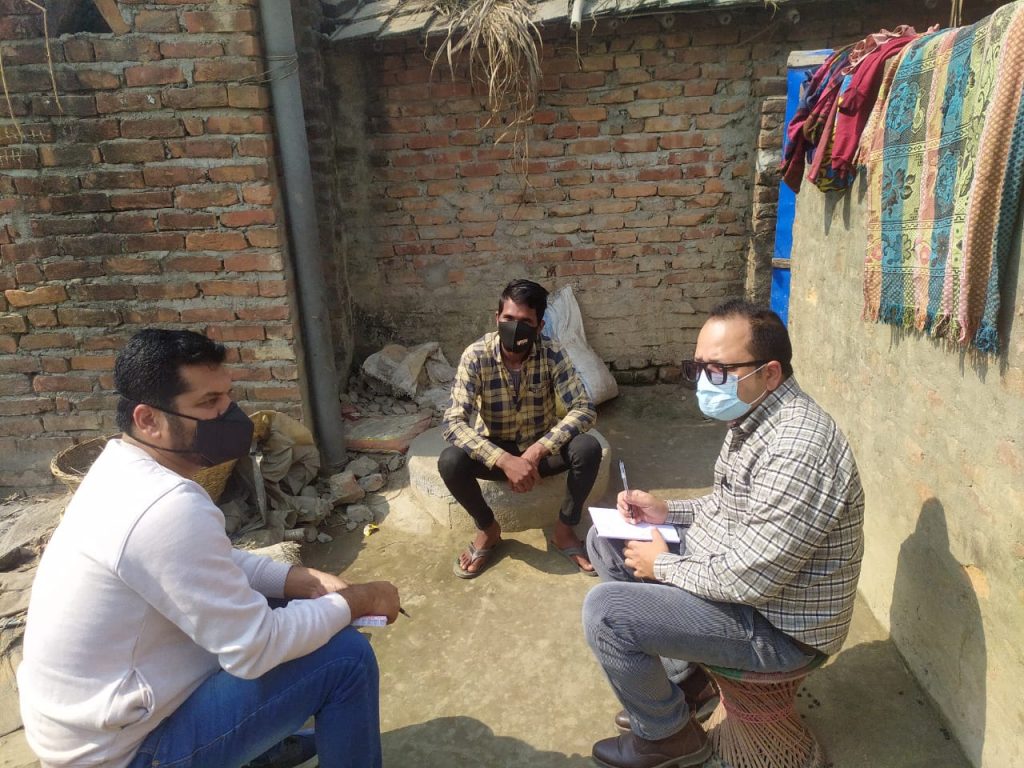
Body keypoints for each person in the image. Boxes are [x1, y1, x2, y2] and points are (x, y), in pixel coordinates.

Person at [18, 329, 401, 768]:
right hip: (125, 754)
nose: (228, 414)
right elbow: (255, 648)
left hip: (96, 725)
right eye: (207, 404)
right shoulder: (164, 507)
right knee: (345, 659)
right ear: (148, 420)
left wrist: (296, 578)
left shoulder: (118, 469)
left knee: (283, 600)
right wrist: (359, 600)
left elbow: (205, 563)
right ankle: (253, 742)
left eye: (226, 397)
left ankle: (259, 743)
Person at [582, 300, 865, 768]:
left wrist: (664, 563)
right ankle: (690, 681)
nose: (702, 381)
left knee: (606, 614)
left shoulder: (797, 449)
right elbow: (727, 505)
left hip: (780, 627)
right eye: (698, 367)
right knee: (607, 541)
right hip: (752, 587)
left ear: (769, 373)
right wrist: (667, 511)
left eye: (717, 369)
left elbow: (752, 579)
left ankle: (668, 737)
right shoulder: (755, 418)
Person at [439, 279, 602, 578]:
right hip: (496, 449)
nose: (515, 327)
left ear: (539, 327)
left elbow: (584, 408)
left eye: (525, 321)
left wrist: (536, 453)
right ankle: (488, 529)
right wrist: (505, 461)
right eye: (508, 319)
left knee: (587, 448)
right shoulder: (476, 355)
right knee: (450, 461)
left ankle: (565, 530)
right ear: (497, 318)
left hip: (540, 448)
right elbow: (453, 422)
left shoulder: (552, 353)